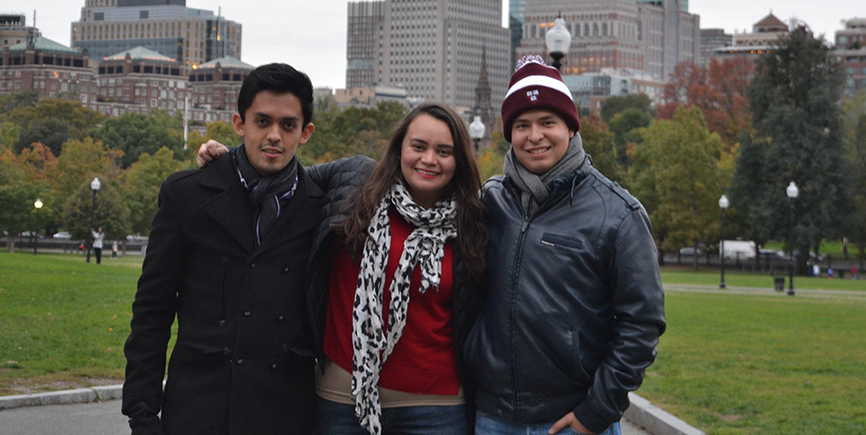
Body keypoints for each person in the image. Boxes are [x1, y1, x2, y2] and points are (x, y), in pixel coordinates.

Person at [199, 102, 488, 435]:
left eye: (444, 151)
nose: (429, 159)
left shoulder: (473, 221)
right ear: (399, 149)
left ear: (459, 160)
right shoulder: (354, 181)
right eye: (418, 147)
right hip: (341, 401)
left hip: (436, 408)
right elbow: (281, 179)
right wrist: (230, 162)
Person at [464, 55, 665, 435]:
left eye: (547, 123)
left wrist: (596, 412)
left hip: (572, 420)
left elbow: (642, 323)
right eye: (522, 125)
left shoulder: (618, 214)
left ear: (570, 128)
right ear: (509, 133)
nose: (534, 136)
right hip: (492, 417)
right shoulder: (490, 201)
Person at [122, 63, 326, 435]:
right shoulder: (187, 196)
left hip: (285, 412)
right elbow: (152, 311)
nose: (274, 136)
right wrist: (142, 413)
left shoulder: (322, 208)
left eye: (288, 125)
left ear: (306, 132)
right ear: (239, 124)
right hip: (201, 407)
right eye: (262, 122)